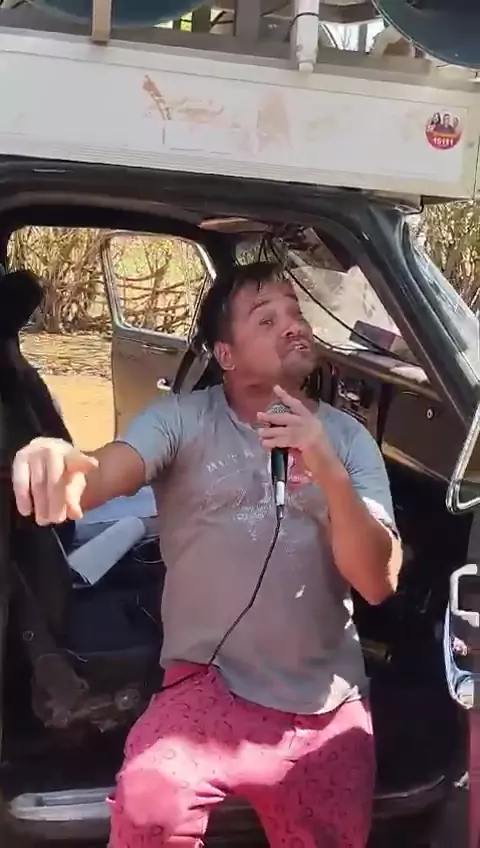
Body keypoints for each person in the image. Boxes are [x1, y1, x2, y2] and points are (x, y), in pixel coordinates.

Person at [12, 261, 402, 848]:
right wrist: (59, 462)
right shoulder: (181, 421)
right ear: (226, 354)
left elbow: (377, 582)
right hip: (206, 687)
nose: (293, 326)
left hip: (326, 699)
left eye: (295, 313)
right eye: (266, 319)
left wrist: (329, 474)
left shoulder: (347, 440)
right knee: (150, 809)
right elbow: (100, 474)